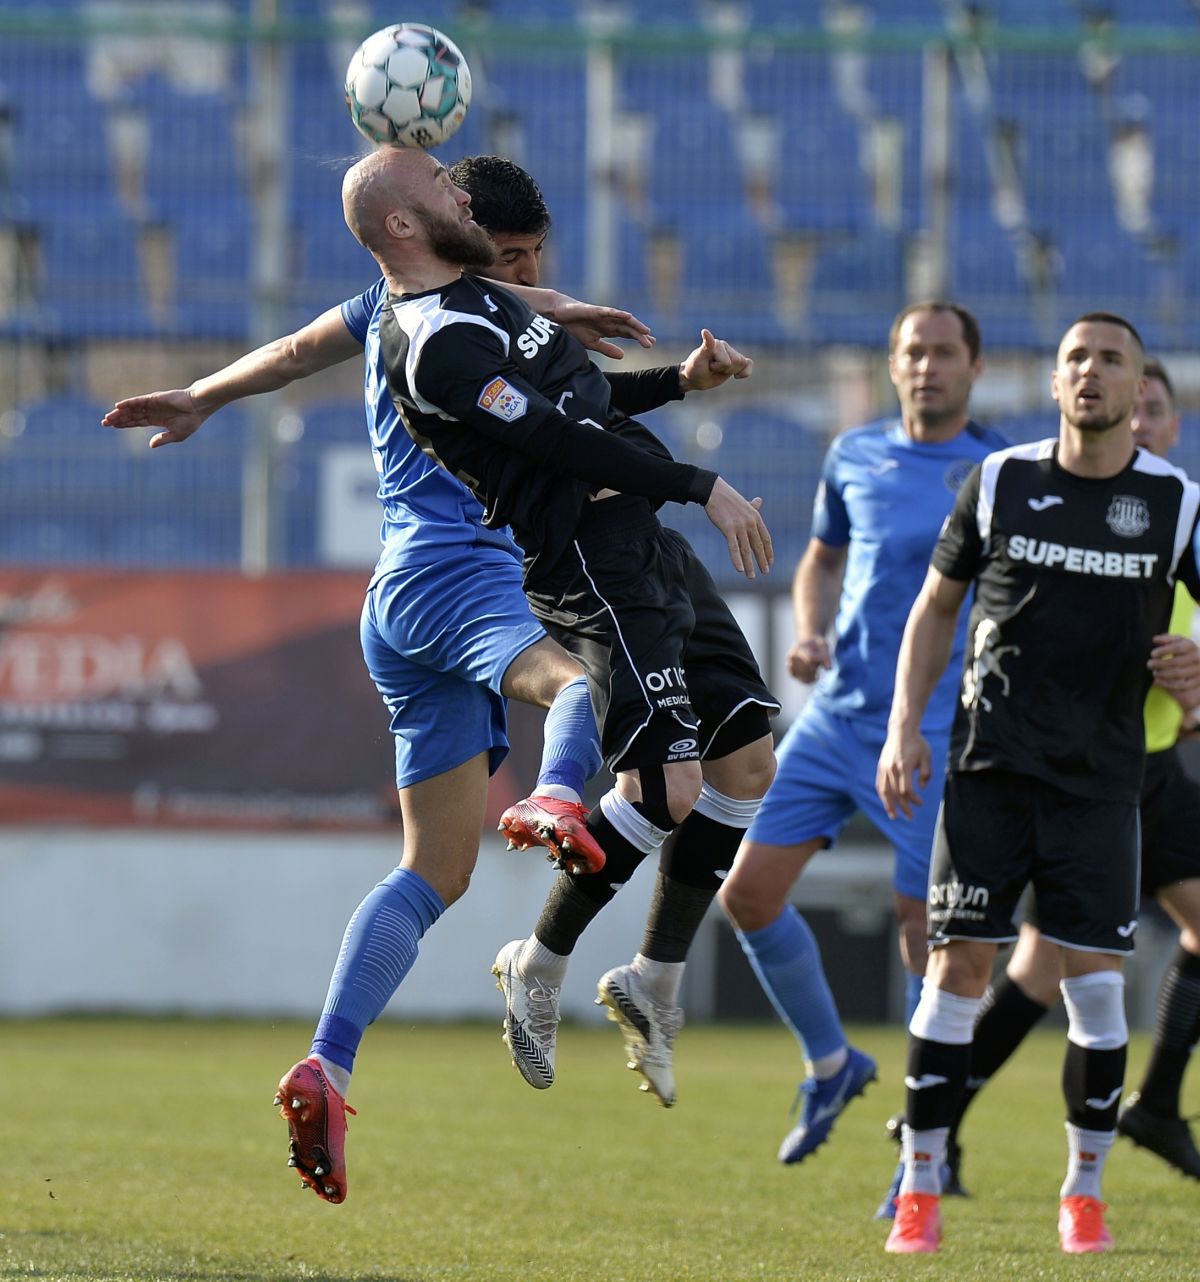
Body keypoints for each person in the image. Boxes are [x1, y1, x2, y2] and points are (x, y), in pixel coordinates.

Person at [102, 153, 767, 1204]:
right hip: (467, 577)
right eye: (487, 231)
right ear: (419, 222)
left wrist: (202, 393)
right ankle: (557, 801)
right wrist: (568, 334)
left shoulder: (398, 309)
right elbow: (530, 399)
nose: (521, 262)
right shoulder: (460, 327)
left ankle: (327, 1059)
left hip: (398, 604)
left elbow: (289, 348)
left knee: (434, 873)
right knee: (586, 681)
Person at [442, 155, 780, 1108]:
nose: (523, 275)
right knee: (666, 786)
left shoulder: (526, 320)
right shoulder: (453, 341)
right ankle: (538, 965)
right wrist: (699, 483)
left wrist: (680, 380)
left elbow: (590, 403)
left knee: (746, 764)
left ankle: (653, 980)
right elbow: (558, 438)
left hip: (647, 541)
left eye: (531, 255)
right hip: (589, 560)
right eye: (506, 259)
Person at [876, 314, 1200, 1255]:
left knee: (1097, 989)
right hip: (990, 771)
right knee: (956, 972)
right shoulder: (1002, 481)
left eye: (1111, 360)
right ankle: (922, 1187)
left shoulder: (1175, 505)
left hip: (1103, 786)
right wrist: (905, 725)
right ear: (1055, 384)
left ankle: (1083, 1193)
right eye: (1075, 360)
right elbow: (936, 609)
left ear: (1140, 389)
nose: (1091, 372)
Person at [715, 302, 1005, 1164]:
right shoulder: (855, 454)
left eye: (944, 353)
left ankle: (930, 1140)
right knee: (748, 895)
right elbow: (824, 559)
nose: (927, 367)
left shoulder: (996, 473)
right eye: (912, 351)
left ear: (974, 369)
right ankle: (832, 1062)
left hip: (931, 731)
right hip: (836, 719)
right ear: (892, 362)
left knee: (926, 933)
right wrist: (809, 630)